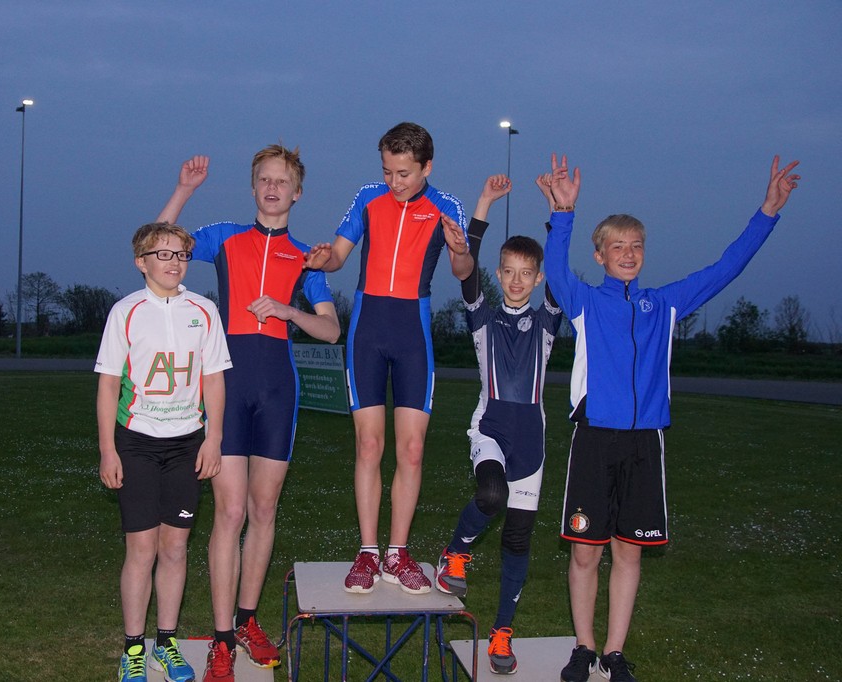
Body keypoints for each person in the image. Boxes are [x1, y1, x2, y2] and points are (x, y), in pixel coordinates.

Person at [543, 154, 801, 682]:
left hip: (645, 444)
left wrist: (767, 214)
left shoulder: (664, 305)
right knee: (586, 554)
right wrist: (563, 213)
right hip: (595, 439)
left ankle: (614, 652)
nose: (628, 253)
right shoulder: (585, 302)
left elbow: (725, 268)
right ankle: (584, 647)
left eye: (636, 245)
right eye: (618, 246)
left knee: (629, 553)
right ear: (600, 254)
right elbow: (556, 269)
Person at [156, 146, 341, 681]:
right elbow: (158, 245)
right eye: (264, 179)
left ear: (297, 192)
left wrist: (288, 310)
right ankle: (221, 640)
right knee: (230, 512)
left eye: (282, 181)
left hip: (278, 390)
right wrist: (184, 190)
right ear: (254, 186)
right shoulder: (225, 237)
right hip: (228, 386)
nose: (272, 187)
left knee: (263, 510)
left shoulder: (307, 257)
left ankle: (246, 620)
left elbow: (331, 330)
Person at [305, 121, 474, 594]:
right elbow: (339, 256)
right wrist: (322, 259)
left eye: (403, 173)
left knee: (412, 449)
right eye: (387, 171)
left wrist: (461, 250)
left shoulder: (446, 206)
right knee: (368, 445)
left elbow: (464, 271)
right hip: (368, 328)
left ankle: (398, 553)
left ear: (426, 167)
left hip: (413, 332)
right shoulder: (368, 198)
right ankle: (367, 551)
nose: (394, 182)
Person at [432, 175, 562, 675]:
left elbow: (561, 269)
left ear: (538, 278)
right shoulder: (482, 318)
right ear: (500, 274)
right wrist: (484, 203)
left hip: (532, 441)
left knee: (517, 541)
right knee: (490, 496)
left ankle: (502, 633)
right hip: (490, 428)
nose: (516, 280)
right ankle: (455, 552)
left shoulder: (548, 322)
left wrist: (557, 213)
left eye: (526, 273)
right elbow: (466, 270)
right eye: (508, 271)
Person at [96, 222, 232, 682]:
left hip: (186, 443)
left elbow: (214, 378)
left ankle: (166, 644)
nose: (174, 263)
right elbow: (108, 384)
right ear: (141, 262)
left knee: (175, 547)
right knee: (141, 548)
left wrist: (213, 439)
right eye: (163, 254)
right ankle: (134, 648)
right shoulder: (126, 312)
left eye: (181, 255)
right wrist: (108, 450)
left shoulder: (204, 311)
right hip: (136, 442)